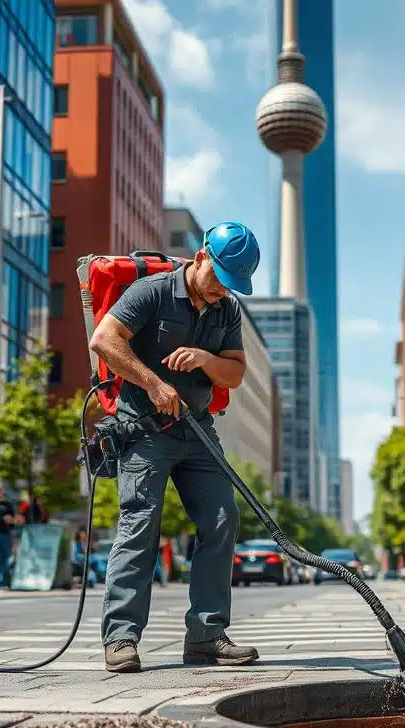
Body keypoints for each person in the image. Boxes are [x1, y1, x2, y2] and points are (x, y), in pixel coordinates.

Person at [87, 220, 261, 673]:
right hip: (143, 429)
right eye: (220, 279)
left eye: (233, 284)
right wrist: (153, 383)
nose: (225, 290)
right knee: (140, 522)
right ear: (202, 257)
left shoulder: (227, 312)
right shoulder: (151, 293)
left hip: (197, 428)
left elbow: (236, 374)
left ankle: (206, 636)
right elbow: (103, 340)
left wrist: (207, 359)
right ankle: (121, 637)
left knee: (223, 517)